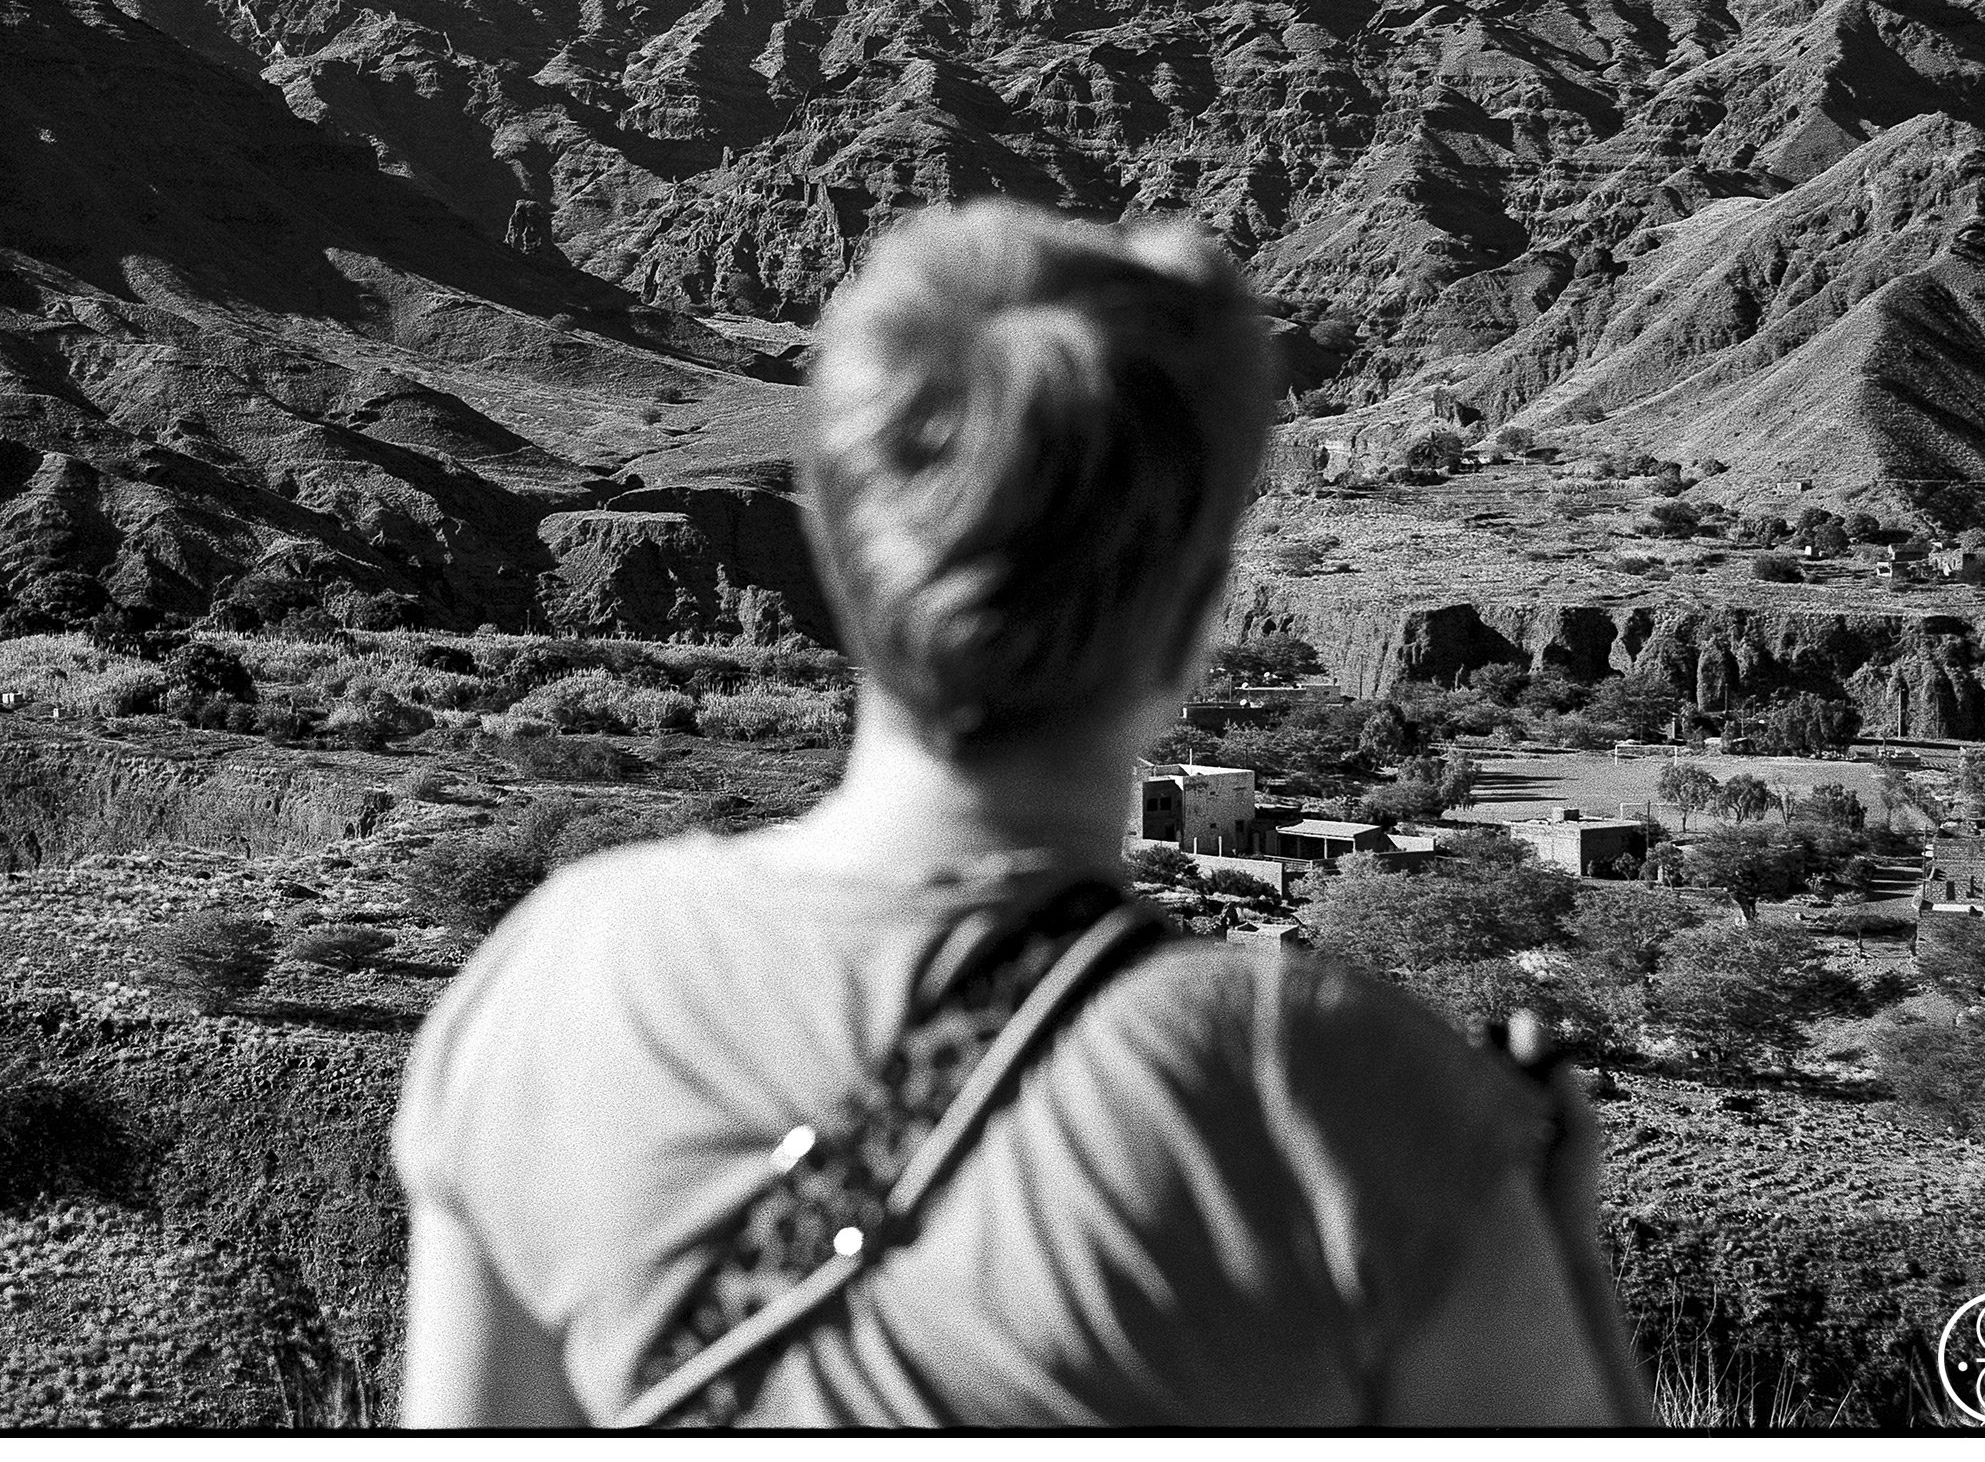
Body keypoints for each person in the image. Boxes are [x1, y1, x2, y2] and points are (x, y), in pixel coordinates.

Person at [393, 201, 1653, 1427]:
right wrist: (1542, 1239)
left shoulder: (555, 978)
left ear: (838, 547)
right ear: (1198, 612)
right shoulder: (1332, 1093)